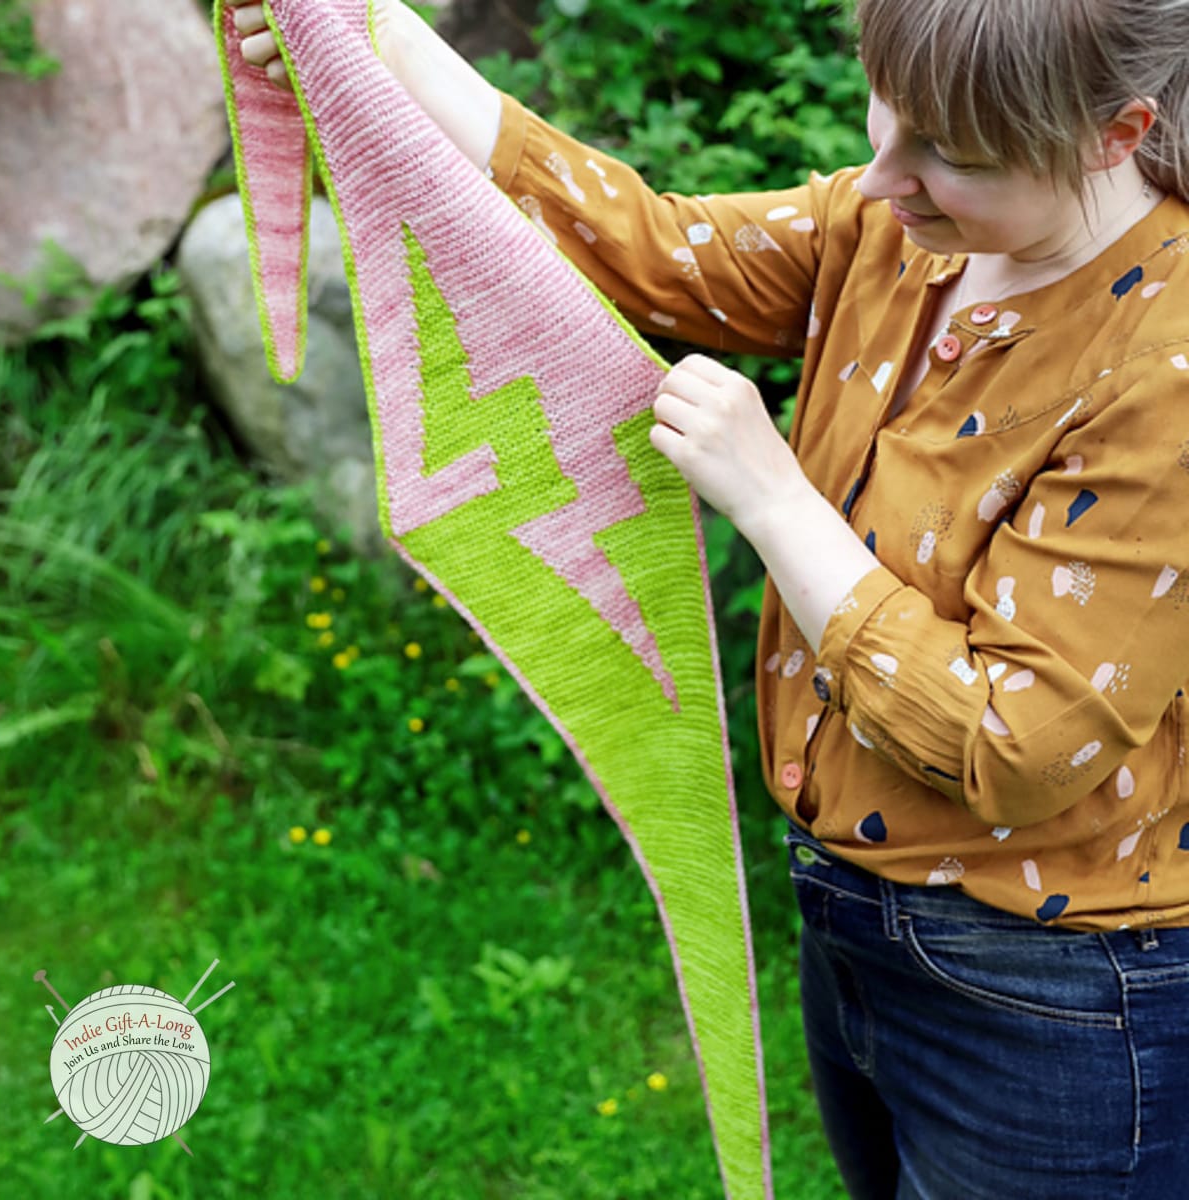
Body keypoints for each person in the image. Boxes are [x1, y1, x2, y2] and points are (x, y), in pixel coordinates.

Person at [226, 1, 1189, 1195]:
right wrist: (378, 39)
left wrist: (777, 503)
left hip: (1056, 998)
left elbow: (1019, 743)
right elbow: (648, 247)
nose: (885, 179)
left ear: (1116, 134)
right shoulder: (897, 224)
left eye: (955, 155)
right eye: (886, 114)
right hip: (848, 921)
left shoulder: (1165, 370)